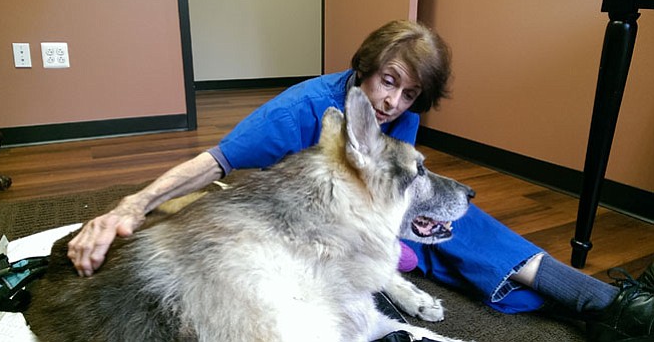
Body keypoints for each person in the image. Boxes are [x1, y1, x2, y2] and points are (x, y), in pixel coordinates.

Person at [67, 20, 653, 341]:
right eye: (387, 83)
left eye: (410, 93)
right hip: (294, 221)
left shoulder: (399, 117)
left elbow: (399, 191)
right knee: (431, 249)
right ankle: (602, 305)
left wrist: (405, 235)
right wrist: (132, 204)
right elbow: (212, 163)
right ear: (364, 70)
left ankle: (601, 306)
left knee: (456, 229)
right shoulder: (300, 109)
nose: (394, 102)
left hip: (362, 218)